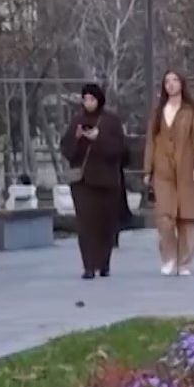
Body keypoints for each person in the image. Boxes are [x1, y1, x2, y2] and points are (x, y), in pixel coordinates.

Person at [59, 84, 127, 279]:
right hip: (83, 181)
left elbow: (121, 151)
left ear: (99, 100)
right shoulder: (77, 121)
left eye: (92, 99)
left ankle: (103, 263)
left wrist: (99, 138)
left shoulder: (111, 121)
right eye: (85, 99)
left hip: (107, 181)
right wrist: (77, 138)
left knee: (105, 223)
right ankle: (88, 265)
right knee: (86, 224)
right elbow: (66, 149)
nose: (88, 103)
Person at [144, 70, 194, 276]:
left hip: (187, 170)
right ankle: (169, 257)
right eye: (167, 81)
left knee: (187, 218)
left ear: (182, 84)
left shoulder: (190, 112)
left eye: (174, 80)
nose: (170, 84)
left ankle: (185, 262)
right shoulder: (158, 113)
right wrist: (148, 170)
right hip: (163, 172)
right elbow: (150, 142)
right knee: (164, 217)